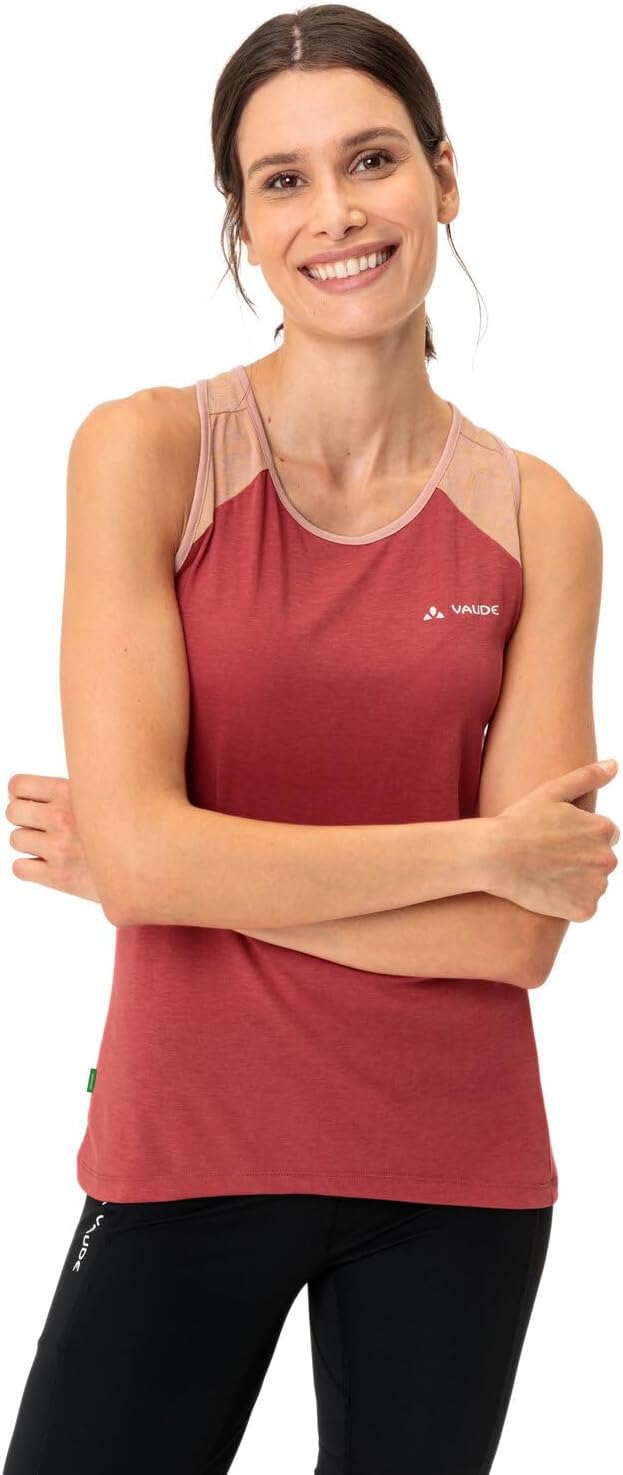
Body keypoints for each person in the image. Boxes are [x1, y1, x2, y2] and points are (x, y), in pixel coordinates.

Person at [3, 5, 620, 1472]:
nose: (334, 212)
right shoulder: (148, 452)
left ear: (444, 178)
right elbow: (157, 861)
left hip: (456, 1174)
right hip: (187, 1143)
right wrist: (478, 851)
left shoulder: (543, 520)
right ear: (243, 222)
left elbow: (520, 939)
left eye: (372, 160)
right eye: (282, 179)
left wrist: (172, 869)